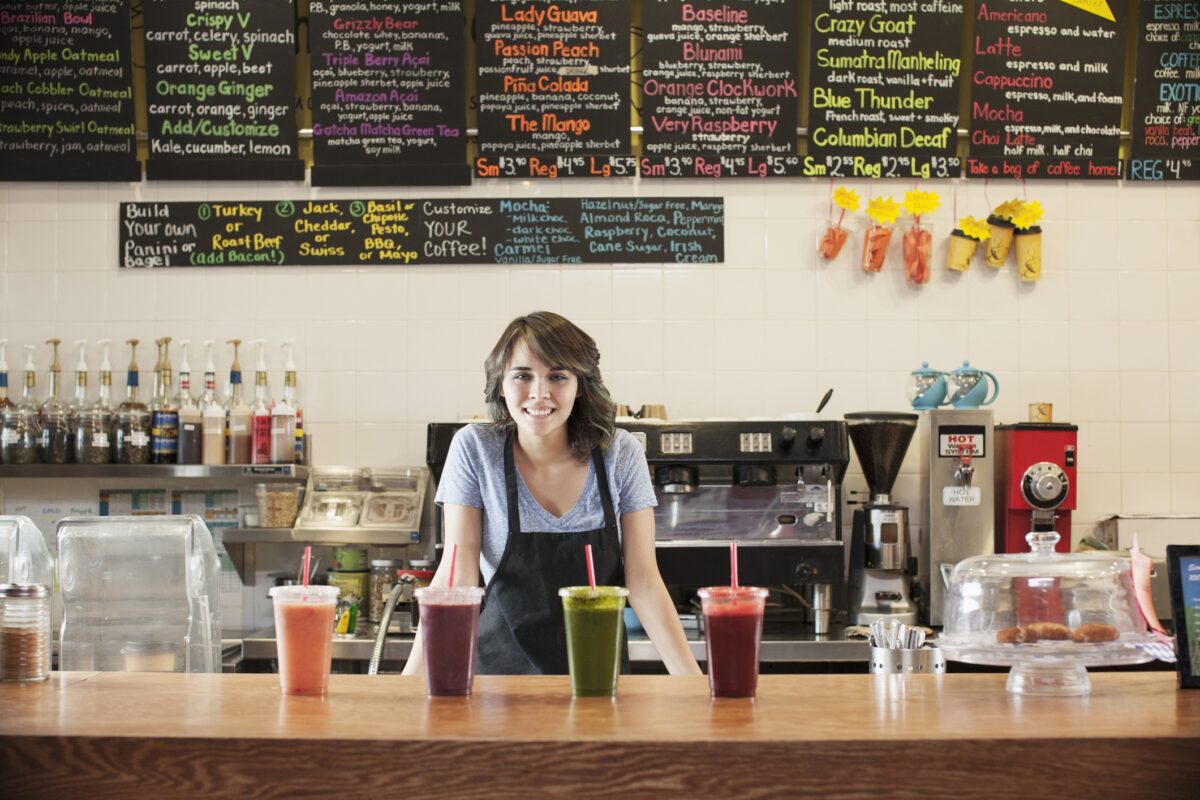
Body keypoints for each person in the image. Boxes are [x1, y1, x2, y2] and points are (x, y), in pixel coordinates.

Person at [403, 311, 701, 678]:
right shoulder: (475, 449)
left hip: (598, 678)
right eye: (522, 376)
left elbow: (644, 583)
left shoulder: (619, 453)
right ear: (500, 384)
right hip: (499, 686)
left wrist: (694, 686)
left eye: (558, 376)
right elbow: (456, 577)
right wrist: (407, 686)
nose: (539, 393)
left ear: (581, 385)